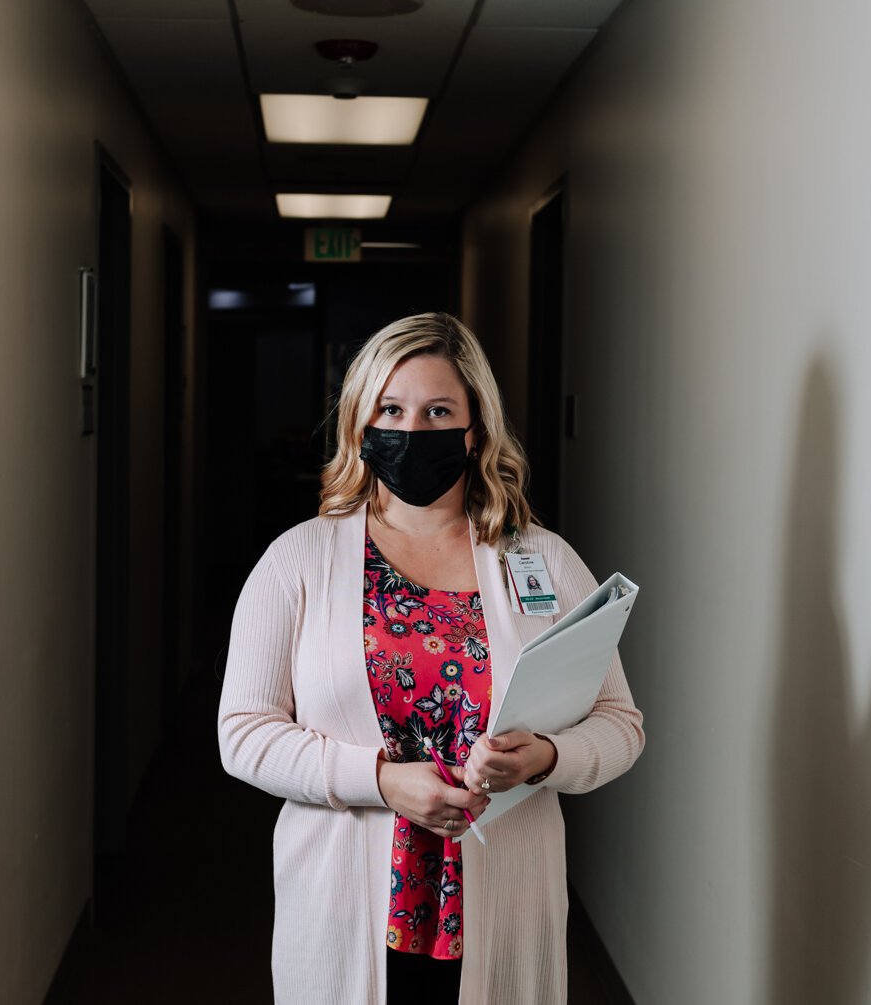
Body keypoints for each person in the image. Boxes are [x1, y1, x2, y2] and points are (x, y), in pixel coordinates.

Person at [217, 312, 644, 1005]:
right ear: (361, 421)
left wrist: (543, 756)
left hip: (501, 905)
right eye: (391, 408)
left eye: (439, 409)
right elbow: (242, 733)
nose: (412, 429)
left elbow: (621, 722)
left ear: (475, 428)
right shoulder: (298, 560)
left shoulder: (541, 558)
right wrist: (381, 780)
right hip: (345, 910)